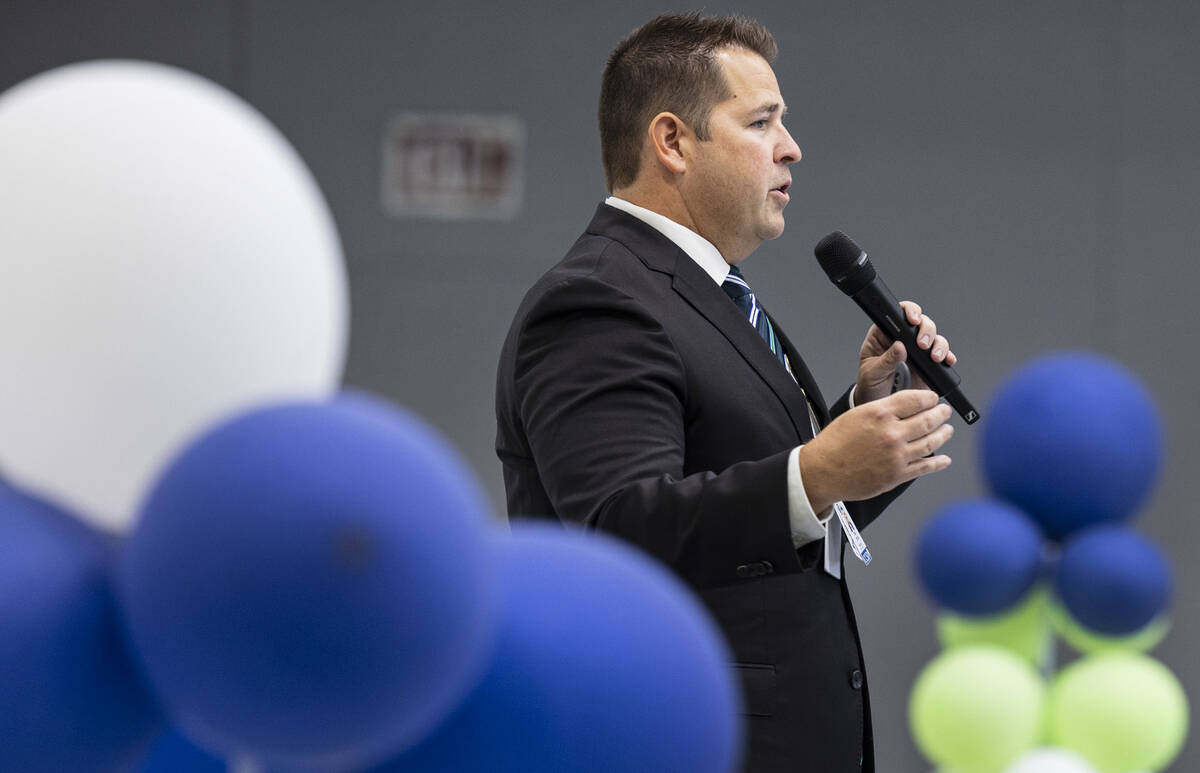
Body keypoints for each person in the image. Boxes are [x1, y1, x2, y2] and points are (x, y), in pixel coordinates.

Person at [495, 12, 957, 772]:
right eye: (762, 121)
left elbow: (765, 513)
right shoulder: (597, 300)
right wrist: (820, 470)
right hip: (677, 738)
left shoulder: (707, 291)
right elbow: (620, 527)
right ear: (672, 142)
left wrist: (861, 418)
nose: (791, 146)